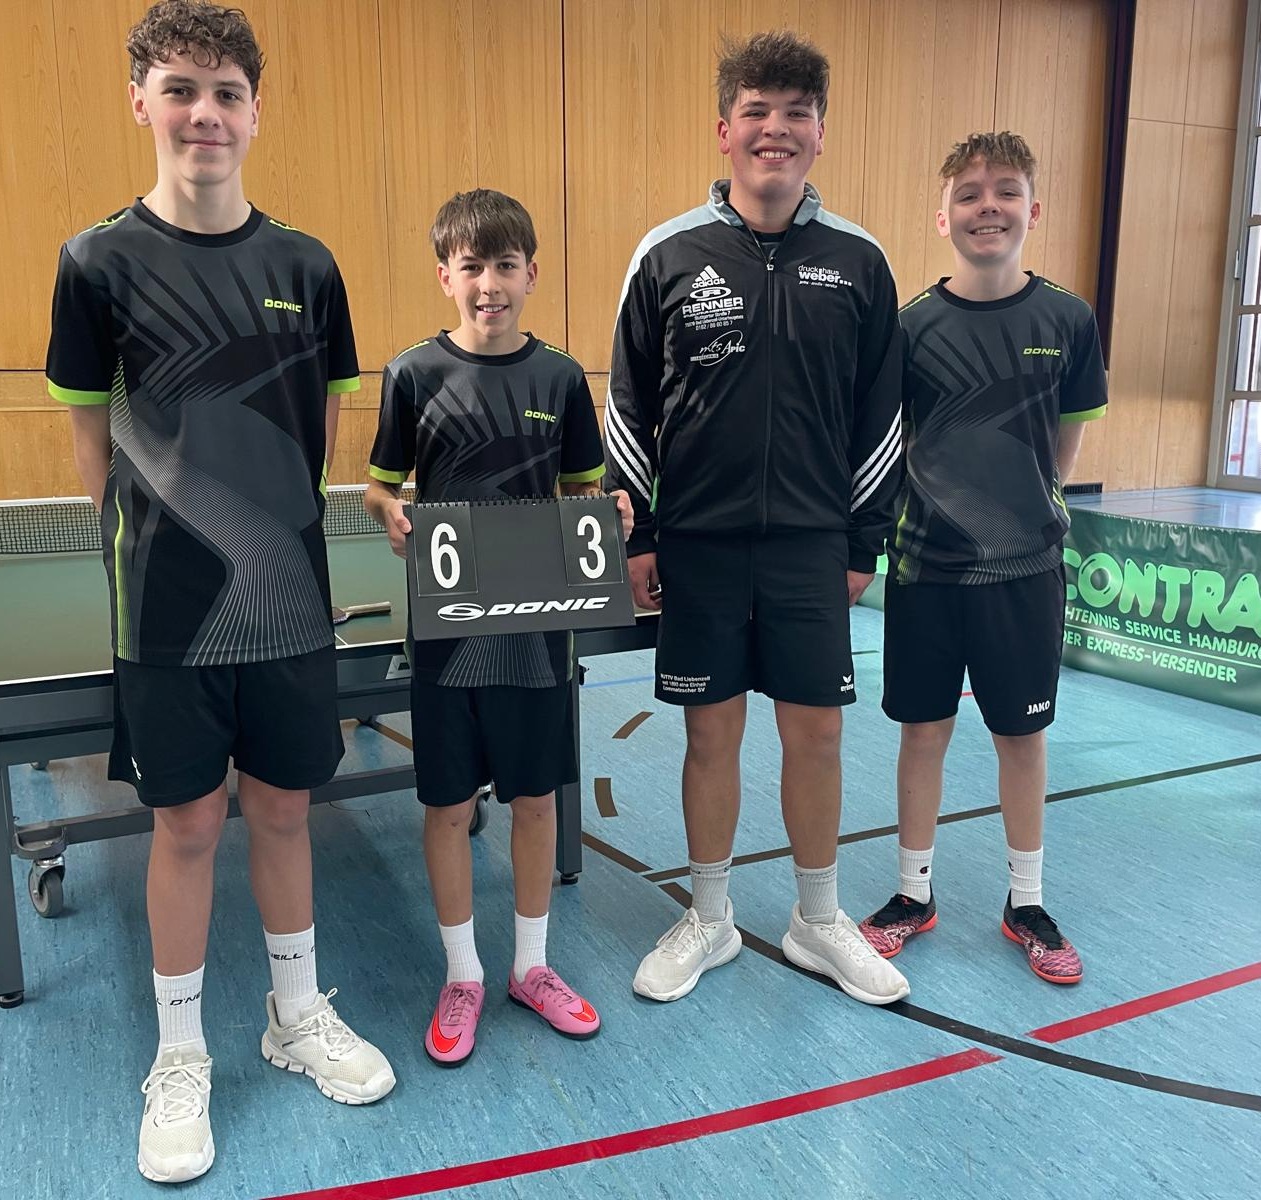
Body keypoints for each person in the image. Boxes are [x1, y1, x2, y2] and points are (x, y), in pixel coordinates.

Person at [45, 1, 394, 1183]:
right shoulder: (95, 263)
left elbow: (319, 432)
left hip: (290, 600)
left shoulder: (308, 265)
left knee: (286, 810)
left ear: (254, 110)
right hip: (165, 607)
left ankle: (294, 1016)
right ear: (140, 101)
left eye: (227, 92)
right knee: (188, 825)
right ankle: (181, 1052)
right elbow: (90, 447)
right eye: (182, 89)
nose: (206, 112)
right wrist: (156, 551)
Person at [604, 30, 909, 1007]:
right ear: (724, 128)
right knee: (710, 738)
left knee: (815, 736)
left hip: (812, 545)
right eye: (757, 110)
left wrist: (860, 540)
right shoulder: (665, 254)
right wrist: (641, 534)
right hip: (697, 542)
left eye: (795, 112)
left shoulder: (858, 261)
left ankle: (817, 920)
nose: (775, 128)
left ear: (820, 133)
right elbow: (627, 404)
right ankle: (709, 916)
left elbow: (881, 414)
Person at [365, 189, 631, 1065]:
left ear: (531, 274)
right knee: (447, 808)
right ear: (445, 276)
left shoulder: (560, 378)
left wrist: (610, 514)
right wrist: (388, 512)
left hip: (536, 637)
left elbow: (582, 490)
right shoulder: (412, 374)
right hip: (447, 637)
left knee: (534, 803)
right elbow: (378, 485)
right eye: (472, 267)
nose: (490, 284)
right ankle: (463, 976)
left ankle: (530, 966)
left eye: (505, 266)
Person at [858, 131, 1107, 984]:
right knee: (921, 733)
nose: (986, 206)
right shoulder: (908, 329)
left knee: (1020, 737)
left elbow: (1064, 443)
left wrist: (1025, 513)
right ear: (942, 218)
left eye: (1005, 191)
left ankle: (1024, 902)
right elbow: (889, 446)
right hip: (925, 571)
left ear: (1034, 210)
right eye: (967, 193)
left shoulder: (1068, 320)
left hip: (1024, 574)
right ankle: (912, 893)